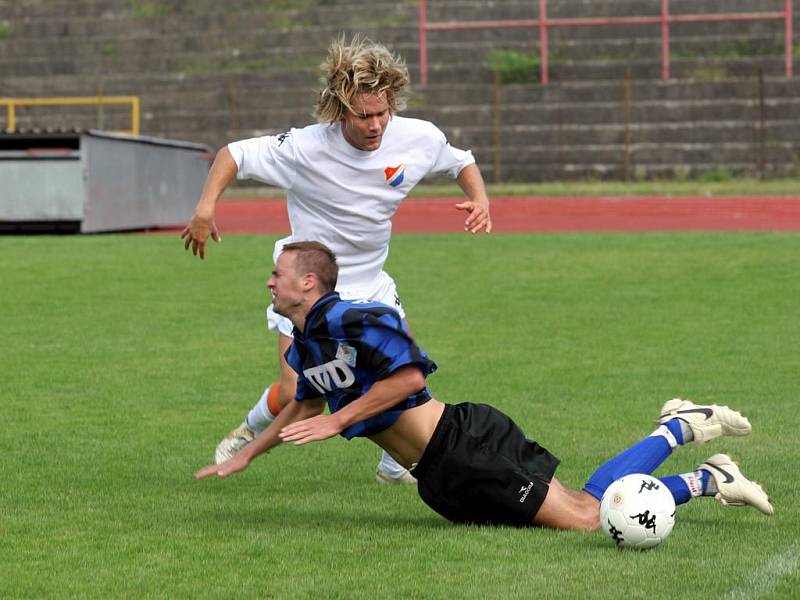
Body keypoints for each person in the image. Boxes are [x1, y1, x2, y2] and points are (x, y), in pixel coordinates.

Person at [195, 241, 774, 528]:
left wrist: (341, 421)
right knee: (584, 506)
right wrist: (247, 454)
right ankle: (680, 430)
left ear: (309, 282)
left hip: (463, 442)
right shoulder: (303, 346)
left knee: (585, 516)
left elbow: (412, 376)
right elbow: (302, 404)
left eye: (278, 274)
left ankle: (703, 472)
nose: (269, 282)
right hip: (437, 479)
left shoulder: (357, 316)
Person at [181, 35, 492, 484]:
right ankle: (250, 428)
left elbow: (461, 161)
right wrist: (205, 208)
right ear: (339, 108)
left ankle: (393, 465)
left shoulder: (417, 137)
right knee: (296, 390)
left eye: (383, 113)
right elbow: (234, 153)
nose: (376, 125)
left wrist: (479, 199)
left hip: (371, 286)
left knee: (408, 378)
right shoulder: (305, 148)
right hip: (310, 287)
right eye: (363, 116)